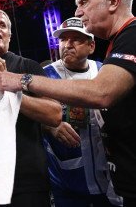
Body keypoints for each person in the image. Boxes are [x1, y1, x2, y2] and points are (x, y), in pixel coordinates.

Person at [0, 0, 136, 205]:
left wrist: (22, 80)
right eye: (64, 39)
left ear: (114, 2)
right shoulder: (51, 70)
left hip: (112, 178)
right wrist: (48, 124)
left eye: (84, 2)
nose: (78, 11)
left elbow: (102, 93)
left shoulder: (125, 42)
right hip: (73, 181)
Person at [0, 8, 62, 207]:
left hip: (25, 178)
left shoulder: (29, 66)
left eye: (2, 25)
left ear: (9, 34)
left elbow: (54, 114)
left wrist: (11, 93)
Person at [43, 17, 121, 206]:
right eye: (63, 39)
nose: (67, 45)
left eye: (76, 39)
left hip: (107, 174)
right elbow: (26, 112)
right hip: (66, 179)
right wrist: (49, 125)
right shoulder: (44, 75)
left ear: (91, 46)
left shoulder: (104, 71)